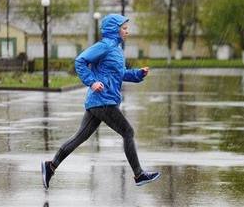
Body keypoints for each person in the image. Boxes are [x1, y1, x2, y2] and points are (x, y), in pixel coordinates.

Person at [41, 14, 160, 190]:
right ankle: (139, 174)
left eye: (127, 28)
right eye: (124, 28)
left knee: (80, 137)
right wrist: (91, 81)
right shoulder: (104, 46)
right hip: (102, 100)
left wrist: (138, 74)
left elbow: (120, 74)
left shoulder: (117, 50)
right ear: (115, 29)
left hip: (100, 101)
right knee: (128, 131)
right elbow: (80, 61)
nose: (128, 31)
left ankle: (50, 166)